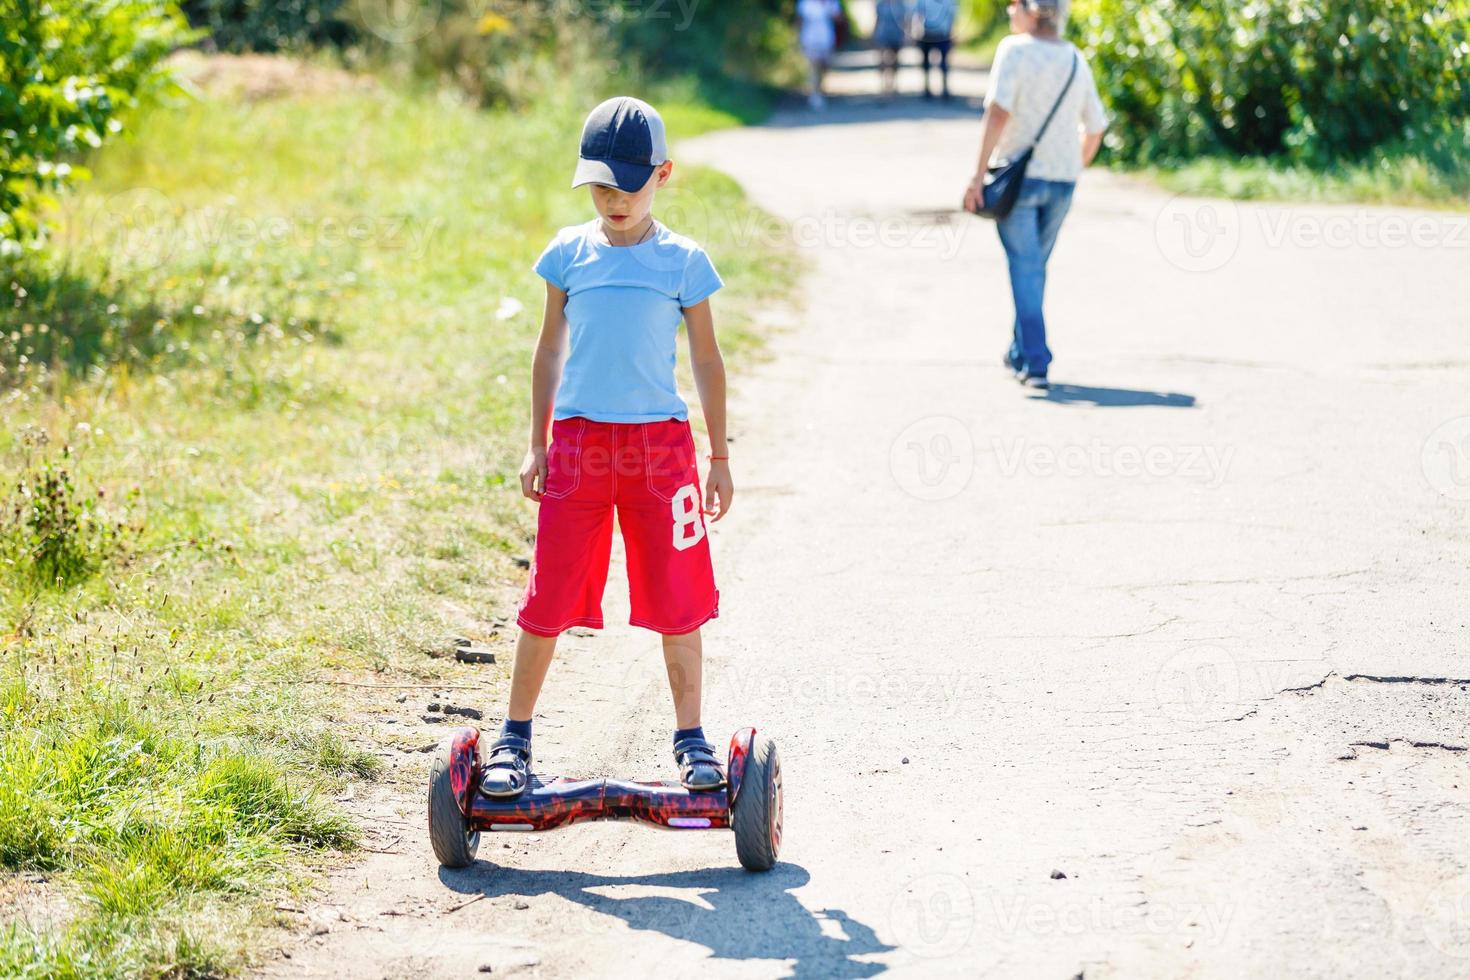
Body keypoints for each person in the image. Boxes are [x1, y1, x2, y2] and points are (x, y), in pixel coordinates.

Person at [483, 96, 734, 798]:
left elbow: (709, 363)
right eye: (600, 185)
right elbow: (548, 352)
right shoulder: (568, 253)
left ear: (664, 175)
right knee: (550, 595)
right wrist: (535, 444)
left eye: (629, 184)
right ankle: (514, 738)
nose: (614, 199)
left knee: (678, 601)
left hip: (662, 453)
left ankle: (692, 739)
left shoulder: (684, 261)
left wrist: (719, 458)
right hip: (579, 448)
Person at [962, 0, 1107, 389]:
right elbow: (1095, 128)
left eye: (1014, 5)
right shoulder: (1076, 59)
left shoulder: (1014, 50)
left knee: (1026, 268)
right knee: (1033, 268)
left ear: (1032, 11)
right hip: (1062, 183)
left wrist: (977, 177)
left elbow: (997, 114)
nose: (1009, 10)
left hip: (1019, 183)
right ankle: (1018, 351)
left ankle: (1037, 360)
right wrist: (1075, 166)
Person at [798, 0, 843, 110]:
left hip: (826, 39)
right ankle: (815, 94)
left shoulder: (831, 3)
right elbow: (800, 21)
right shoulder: (805, 3)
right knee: (813, 66)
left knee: (824, 66)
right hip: (810, 39)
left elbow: (839, 19)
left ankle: (820, 88)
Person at [912, 0, 957, 100]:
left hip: (942, 34)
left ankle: (944, 89)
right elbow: (918, 15)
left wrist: (951, 33)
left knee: (944, 63)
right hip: (929, 33)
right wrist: (916, 31)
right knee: (926, 63)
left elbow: (952, 17)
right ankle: (927, 88)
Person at [873, 0, 911, 99]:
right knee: (883, 60)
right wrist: (873, 34)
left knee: (895, 61)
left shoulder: (901, 4)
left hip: (896, 35)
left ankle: (894, 84)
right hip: (883, 35)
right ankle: (884, 85)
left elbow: (904, 20)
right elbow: (877, 19)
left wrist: (907, 35)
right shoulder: (880, 4)